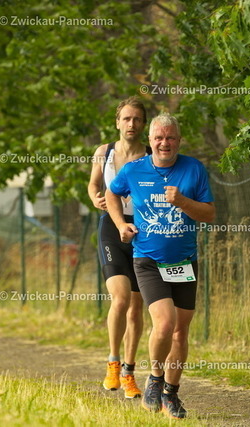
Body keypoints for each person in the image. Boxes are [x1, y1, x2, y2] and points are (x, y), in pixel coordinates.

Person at [106, 113, 215, 419]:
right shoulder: (134, 170)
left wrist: (182, 202)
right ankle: (155, 379)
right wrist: (120, 224)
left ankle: (171, 393)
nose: (164, 143)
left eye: (170, 138)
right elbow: (112, 193)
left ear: (179, 140)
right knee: (165, 324)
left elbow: (209, 214)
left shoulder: (194, 169)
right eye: (158, 138)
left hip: (184, 261)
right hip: (148, 260)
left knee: (180, 332)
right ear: (150, 141)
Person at [88, 96, 150, 398]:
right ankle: (112, 362)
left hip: (143, 231)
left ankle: (128, 372)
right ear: (117, 123)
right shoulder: (104, 152)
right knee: (121, 298)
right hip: (112, 228)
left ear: (143, 124)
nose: (131, 124)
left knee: (136, 306)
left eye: (137, 119)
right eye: (126, 118)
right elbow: (93, 184)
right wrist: (95, 198)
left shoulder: (151, 155)